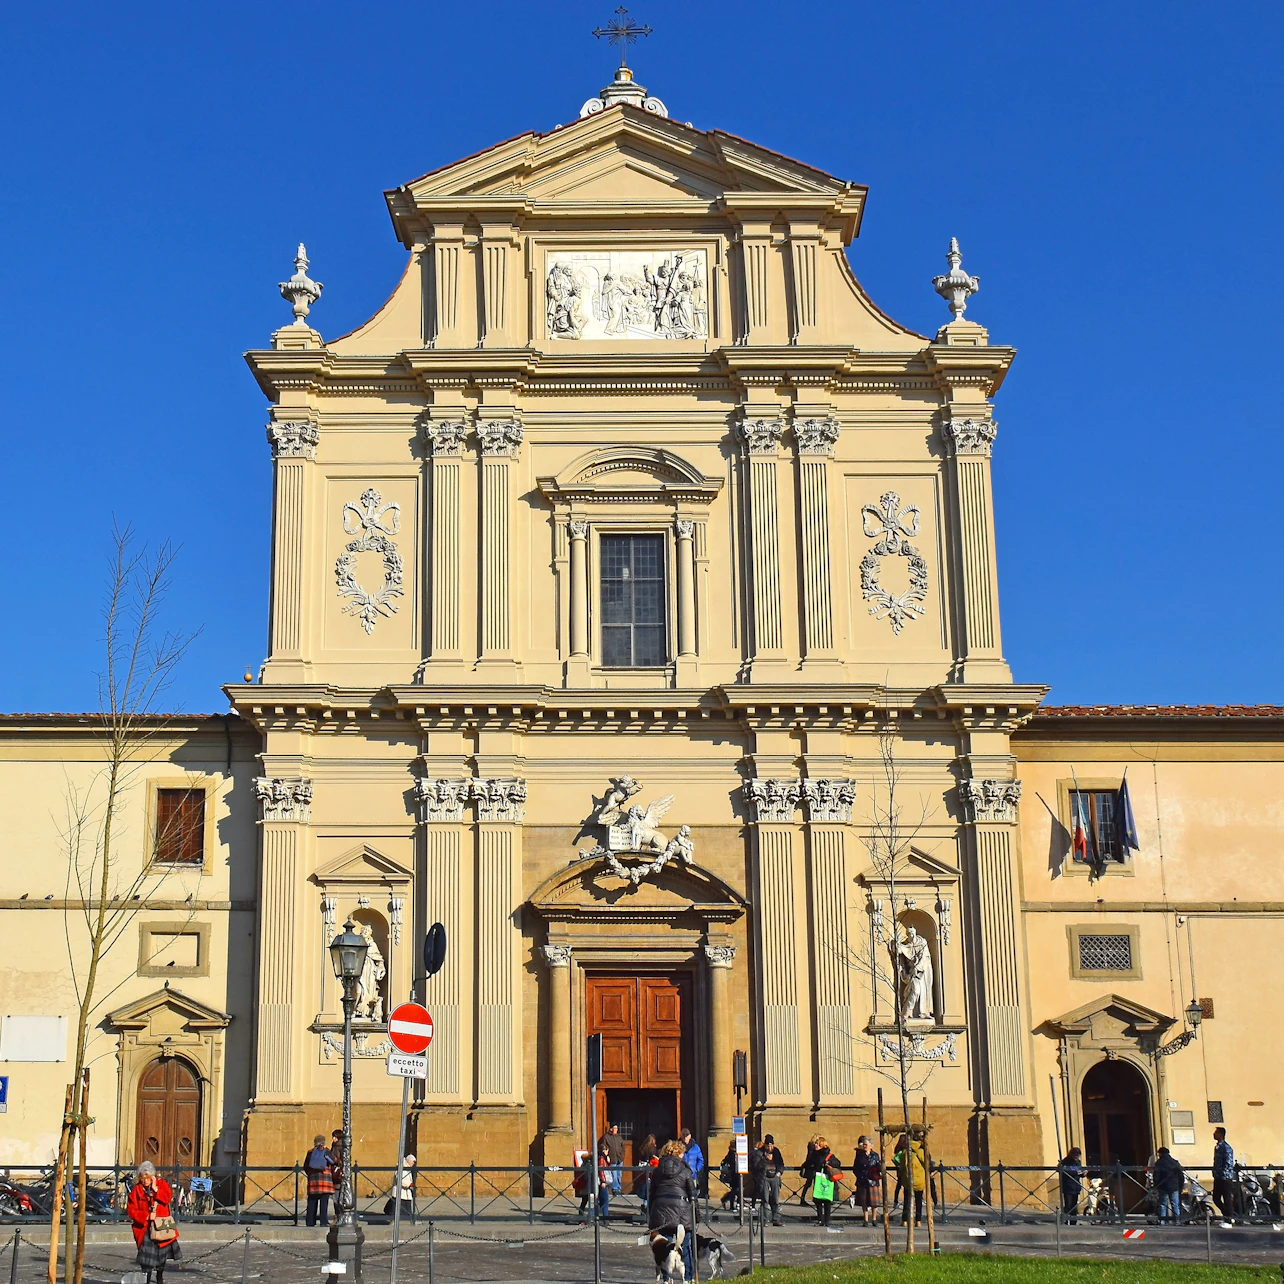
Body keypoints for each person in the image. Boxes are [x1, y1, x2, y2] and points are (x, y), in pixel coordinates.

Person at [649, 1139, 698, 1280]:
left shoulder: (658, 1170)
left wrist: (651, 1215)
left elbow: (652, 1194)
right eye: (682, 1152)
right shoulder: (685, 1170)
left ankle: (667, 1279)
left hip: (661, 1212)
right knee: (686, 1249)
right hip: (682, 1213)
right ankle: (688, 1279)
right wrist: (697, 1216)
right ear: (679, 1153)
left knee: (665, 1248)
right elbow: (692, 1195)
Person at [126, 1161, 181, 1284]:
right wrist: (146, 1216)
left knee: (162, 1255)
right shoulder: (136, 1190)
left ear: (153, 1176)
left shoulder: (161, 1184)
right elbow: (131, 1210)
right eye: (143, 1178)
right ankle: (146, 1279)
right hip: (145, 1228)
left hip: (162, 1226)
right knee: (147, 1259)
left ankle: (159, 1277)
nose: (145, 1181)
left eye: (148, 1178)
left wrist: (156, 1190)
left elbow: (167, 1198)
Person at [893, 1134, 926, 1227]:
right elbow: (926, 1163)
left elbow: (902, 1166)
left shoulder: (904, 1151)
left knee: (907, 1200)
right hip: (919, 1179)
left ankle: (904, 1220)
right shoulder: (921, 1151)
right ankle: (918, 1221)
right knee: (918, 1201)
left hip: (908, 1180)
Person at [303, 1134, 335, 1227]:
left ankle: (310, 1221)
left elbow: (306, 1165)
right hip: (325, 1181)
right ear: (323, 1142)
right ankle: (323, 1221)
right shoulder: (326, 1151)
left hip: (313, 1180)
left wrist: (310, 1174)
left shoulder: (310, 1152)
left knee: (312, 1202)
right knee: (324, 1203)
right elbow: (333, 1161)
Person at [849, 1136, 881, 1225]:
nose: (864, 1146)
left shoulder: (875, 1155)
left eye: (866, 1144)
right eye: (864, 1144)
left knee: (874, 1203)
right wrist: (860, 1176)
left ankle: (874, 1219)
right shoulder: (859, 1155)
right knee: (864, 1203)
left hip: (873, 1181)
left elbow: (879, 1166)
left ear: (871, 1146)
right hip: (863, 1181)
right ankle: (866, 1220)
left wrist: (877, 1170)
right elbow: (855, 1167)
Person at [754, 1135, 785, 1226]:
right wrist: (765, 1160)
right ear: (765, 1145)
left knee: (775, 1199)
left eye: (771, 1146)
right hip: (764, 1177)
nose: (770, 1148)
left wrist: (779, 1172)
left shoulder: (776, 1152)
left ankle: (776, 1219)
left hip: (775, 1176)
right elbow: (756, 1166)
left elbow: (781, 1163)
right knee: (765, 1199)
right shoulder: (759, 1153)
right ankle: (764, 1220)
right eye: (768, 1146)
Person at [1212, 1127, 1238, 1226]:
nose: (1214, 1134)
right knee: (1216, 1198)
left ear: (1221, 1134)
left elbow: (1228, 1162)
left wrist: (1224, 1174)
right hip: (1218, 1177)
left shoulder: (1226, 1147)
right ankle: (1227, 1215)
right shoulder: (1217, 1147)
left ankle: (1229, 1219)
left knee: (1227, 1199)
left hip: (1225, 1178)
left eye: (1216, 1133)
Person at [1151, 1147, 1184, 1224]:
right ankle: (1177, 1221)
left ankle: (1162, 1221)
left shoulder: (1158, 1163)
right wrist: (1180, 1186)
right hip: (1174, 1186)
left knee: (1163, 1204)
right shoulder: (1175, 1162)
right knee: (1175, 1204)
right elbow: (1181, 1175)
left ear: (1160, 1154)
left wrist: (1156, 1185)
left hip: (1163, 1186)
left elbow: (1156, 1175)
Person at [384, 1154, 415, 1218]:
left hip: (406, 1192)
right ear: (409, 1161)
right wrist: (409, 1184)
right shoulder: (401, 1166)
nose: (413, 1164)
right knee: (398, 1207)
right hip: (400, 1192)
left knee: (407, 1206)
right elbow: (400, 1179)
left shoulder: (407, 1168)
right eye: (412, 1162)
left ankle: (408, 1218)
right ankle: (395, 1218)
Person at [1058, 1147, 1085, 1224]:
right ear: (1072, 1155)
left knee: (1074, 1205)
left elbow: (1079, 1172)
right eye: (1076, 1156)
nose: (1077, 1158)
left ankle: (1073, 1221)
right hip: (1068, 1186)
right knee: (1068, 1204)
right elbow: (1063, 1172)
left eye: (1078, 1156)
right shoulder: (1065, 1162)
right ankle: (1066, 1220)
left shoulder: (1078, 1162)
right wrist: (1076, 1173)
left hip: (1076, 1186)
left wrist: (1083, 1174)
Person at [601, 1122, 624, 1195]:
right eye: (615, 1128)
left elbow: (623, 1147)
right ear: (611, 1129)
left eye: (617, 1128)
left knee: (619, 1174)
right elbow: (603, 1146)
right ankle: (615, 1189)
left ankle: (619, 1188)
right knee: (613, 1174)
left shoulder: (619, 1137)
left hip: (619, 1158)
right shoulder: (606, 1137)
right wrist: (606, 1154)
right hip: (612, 1158)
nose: (616, 1130)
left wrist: (622, 1155)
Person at [636, 1134, 657, 1211]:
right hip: (650, 1169)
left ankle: (644, 1207)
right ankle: (648, 1209)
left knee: (645, 1186)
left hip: (643, 1169)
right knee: (650, 1188)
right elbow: (653, 1158)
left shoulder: (642, 1148)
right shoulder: (653, 1148)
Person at [799, 1135, 821, 1208]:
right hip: (812, 1168)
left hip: (811, 1167)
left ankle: (804, 1199)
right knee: (812, 1183)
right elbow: (810, 1157)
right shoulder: (813, 1147)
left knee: (809, 1183)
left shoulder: (811, 1147)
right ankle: (815, 1199)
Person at [596, 1142, 612, 1221]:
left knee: (601, 1203)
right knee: (605, 1202)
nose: (608, 1152)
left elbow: (608, 1164)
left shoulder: (603, 1158)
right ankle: (606, 1220)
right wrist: (603, 1181)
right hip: (603, 1183)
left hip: (604, 1182)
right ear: (603, 1151)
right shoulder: (601, 1159)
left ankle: (591, 1216)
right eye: (606, 1150)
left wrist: (608, 1158)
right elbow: (601, 1170)